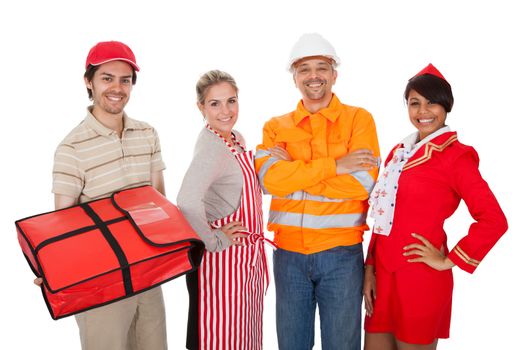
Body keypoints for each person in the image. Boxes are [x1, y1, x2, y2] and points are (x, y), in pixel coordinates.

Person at [363, 63, 508, 350]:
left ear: (446, 107)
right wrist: (369, 269)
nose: (423, 111)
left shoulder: (457, 157)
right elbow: (383, 215)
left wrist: (448, 259)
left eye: (432, 103)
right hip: (383, 277)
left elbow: (494, 219)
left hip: (421, 279)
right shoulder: (400, 152)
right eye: (414, 103)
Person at [34, 40, 167, 350]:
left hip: (148, 275)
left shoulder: (148, 134)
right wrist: (52, 268)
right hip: (101, 282)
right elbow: (63, 224)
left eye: (125, 79)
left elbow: (159, 201)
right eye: (107, 78)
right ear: (88, 82)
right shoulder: (71, 149)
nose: (116, 87)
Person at [255, 33, 380, 350]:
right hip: (288, 257)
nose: (314, 76)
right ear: (294, 77)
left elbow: (362, 184)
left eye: (322, 67)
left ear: (334, 74)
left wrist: (295, 171)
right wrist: (336, 166)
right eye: (304, 69)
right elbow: (270, 182)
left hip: (341, 255)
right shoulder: (275, 126)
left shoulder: (358, 120)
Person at [177, 70, 269, 350]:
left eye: (231, 101)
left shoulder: (235, 137)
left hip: (242, 263)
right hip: (220, 266)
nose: (226, 111)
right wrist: (215, 240)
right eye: (215, 104)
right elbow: (187, 200)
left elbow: (248, 188)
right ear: (201, 107)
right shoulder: (213, 147)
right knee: (217, 338)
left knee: (242, 337)